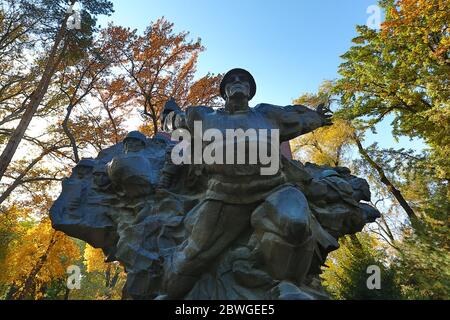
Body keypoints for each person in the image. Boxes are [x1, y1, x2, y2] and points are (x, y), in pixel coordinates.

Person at [160, 68, 333, 298]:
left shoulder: (268, 115)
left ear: (251, 91)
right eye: (232, 80)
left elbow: (298, 118)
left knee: (296, 223)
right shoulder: (204, 117)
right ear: (224, 92)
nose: (238, 82)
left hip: (274, 189)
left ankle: (288, 285)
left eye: (244, 80)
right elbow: (176, 122)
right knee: (191, 259)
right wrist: (168, 115)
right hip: (224, 197)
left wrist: (318, 117)